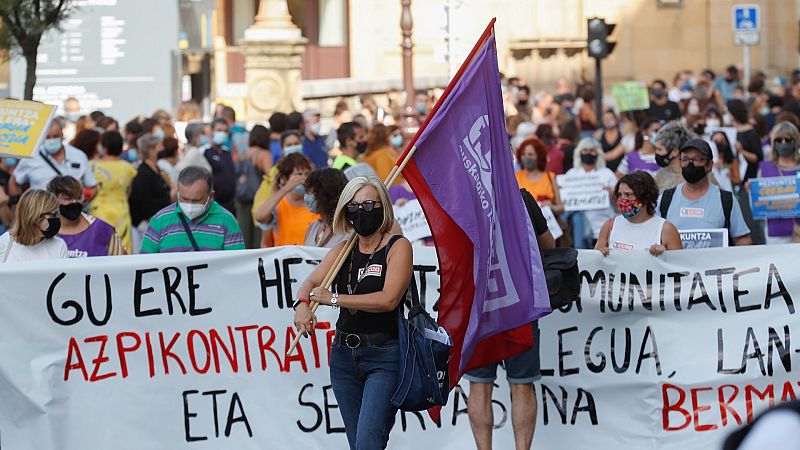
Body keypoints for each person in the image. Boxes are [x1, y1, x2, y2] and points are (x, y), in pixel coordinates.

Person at [293, 176, 413, 450]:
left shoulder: (398, 247)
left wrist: (334, 299)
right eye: (354, 206)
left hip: (384, 355)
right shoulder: (342, 250)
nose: (362, 211)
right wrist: (301, 304)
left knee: (368, 442)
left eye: (369, 204)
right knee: (357, 443)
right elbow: (310, 283)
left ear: (383, 206)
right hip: (344, 357)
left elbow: (388, 299)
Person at [466, 187, 554, 450]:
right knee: (521, 383)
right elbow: (550, 244)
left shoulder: (463, 196)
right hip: (518, 301)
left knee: (481, 385)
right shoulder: (522, 196)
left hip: (481, 303)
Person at [657, 139, 751, 246]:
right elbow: (652, 236)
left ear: (709, 165)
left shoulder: (726, 200)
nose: (690, 164)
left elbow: (742, 239)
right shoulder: (665, 199)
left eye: (696, 159)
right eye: (685, 159)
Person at [141, 167, 244, 253]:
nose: (189, 205)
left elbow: (236, 265)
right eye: (184, 199)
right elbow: (145, 263)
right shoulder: (160, 220)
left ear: (210, 196)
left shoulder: (227, 221)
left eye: (196, 200)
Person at [595, 171, 682, 256]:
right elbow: (594, 263)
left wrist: (665, 256)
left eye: (628, 194)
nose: (622, 199)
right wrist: (602, 254)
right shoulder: (610, 226)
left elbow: (680, 267)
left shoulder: (666, 229)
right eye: (619, 194)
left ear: (645, 197)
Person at [10, 120, 97, 196]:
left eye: (55, 136)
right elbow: (14, 182)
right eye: (47, 137)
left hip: (72, 212)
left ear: (62, 135)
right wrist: (17, 205)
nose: (51, 140)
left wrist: (80, 203)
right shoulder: (31, 157)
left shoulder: (78, 156)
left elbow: (92, 187)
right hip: (41, 212)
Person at [47, 175, 125, 257]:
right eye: (67, 198)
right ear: (53, 200)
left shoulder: (102, 229)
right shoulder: (44, 231)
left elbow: (121, 262)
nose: (74, 202)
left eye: (78, 198)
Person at [254, 153, 318, 247]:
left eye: (307, 174)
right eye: (299, 174)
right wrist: (286, 188)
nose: (304, 178)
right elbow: (260, 217)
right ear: (284, 178)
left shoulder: (315, 204)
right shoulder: (278, 204)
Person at [564, 138, 617, 248]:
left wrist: (611, 194)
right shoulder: (571, 175)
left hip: (604, 227)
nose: (588, 153)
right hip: (579, 229)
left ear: (598, 153)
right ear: (579, 153)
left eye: (592, 150)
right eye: (585, 150)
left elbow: (619, 203)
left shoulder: (607, 174)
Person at [89, 131, 137, 252]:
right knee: (121, 249)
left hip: (98, 211)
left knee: (99, 249)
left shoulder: (92, 166)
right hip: (121, 211)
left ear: (103, 147)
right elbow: (128, 191)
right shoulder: (128, 167)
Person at [129, 133, 173, 253]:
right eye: (159, 146)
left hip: (161, 222)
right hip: (147, 224)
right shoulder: (143, 172)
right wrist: (150, 217)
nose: (162, 149)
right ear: (150, 149)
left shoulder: (158, 170)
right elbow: (139, 199)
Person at [757, 122, 800, 244]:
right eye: (779, 140)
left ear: (795, 141)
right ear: (773, 143)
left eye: (788, 139)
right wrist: (752, 192)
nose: (784, 143)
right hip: (776, 232)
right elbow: (758, 206)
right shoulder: (765, 168)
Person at [0, 189, 67, 262]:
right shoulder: (4, 242)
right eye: (54, 215)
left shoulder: (59, 245)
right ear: (35, 217)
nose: (57, 219)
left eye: (58, 214)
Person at [235, 124, 272, 249]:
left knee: (244, 236)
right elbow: (270, 176)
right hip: (258, 199)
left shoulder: (243, 154)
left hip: (242, 198)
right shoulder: (263, 154)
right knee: (258, 236)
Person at [303, 168, 349, 248]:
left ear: (327, 195)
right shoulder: (313, 227)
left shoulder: (348, 231)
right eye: (307, 191)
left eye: (311, 191)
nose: (307, 196)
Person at [514, 137, 562, 212]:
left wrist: (551, 207)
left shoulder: (550, 177)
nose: (526, 157)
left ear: (539, 156)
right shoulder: (515, 177)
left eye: (530, 154)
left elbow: (560, 207)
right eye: (523, 154)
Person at [204, 118, 237, 214]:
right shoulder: (204, 151)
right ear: (211, 131)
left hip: (230, 204)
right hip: (213, 205)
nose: (222, 134)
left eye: (225, 131)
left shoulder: (226, 152)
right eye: (219, 130)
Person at [653, 121, 692, 192]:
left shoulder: (697, 175)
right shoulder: (660, 176)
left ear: (675, 152)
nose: (656, 153)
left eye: (659, 149)